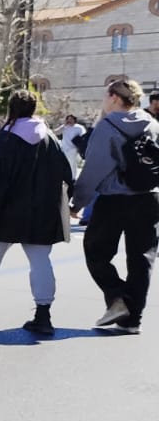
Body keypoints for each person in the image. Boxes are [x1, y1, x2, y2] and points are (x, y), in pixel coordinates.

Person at [0, 91, 74, 335]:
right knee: (40, 260)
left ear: (12, 109)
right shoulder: (49, 136)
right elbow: (66, 173)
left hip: (7, 208)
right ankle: (43, 313)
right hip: (42, 209)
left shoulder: (7, 137)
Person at [71, 77, 159, 333]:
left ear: (114, 98)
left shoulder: (107, 126)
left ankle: (118, 297)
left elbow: (94, 170)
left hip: (114, 199)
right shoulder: (153, 124)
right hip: (149, 197)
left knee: (95, 251)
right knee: (142, 259)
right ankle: (132, 320)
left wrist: (78, 202)